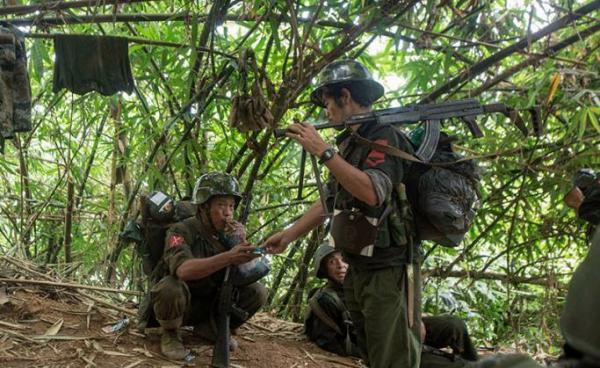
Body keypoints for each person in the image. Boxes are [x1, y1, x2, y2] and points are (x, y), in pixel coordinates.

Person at [264, 59, 422, 367]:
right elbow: (330, 200)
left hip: (387, 269)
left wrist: (324, 151)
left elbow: (373, 192)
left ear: (345, 96)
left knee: (393, 356)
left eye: (327, 103)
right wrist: (288, 235)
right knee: (370, 350)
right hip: (358, 264)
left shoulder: (384, 136)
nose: (326, 112)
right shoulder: (349, 143)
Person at [139, 172, 268, 360]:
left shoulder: (226, 235)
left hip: (209, 300)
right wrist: (228, 257)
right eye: (221, 205)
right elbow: (183, 270)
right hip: (180, 302)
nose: (228, 212)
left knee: (258, 292)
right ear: (204, 207)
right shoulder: (181, 230)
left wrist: (241, 242)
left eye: (231, 206)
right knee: (169, 288)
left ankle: (209, 329)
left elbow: (247, 273)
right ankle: (170, 334)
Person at [305, 244, 478, 368]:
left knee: (455, 325)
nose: (340, 265)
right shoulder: (325, 300)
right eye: (332, 262)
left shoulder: (367, 278)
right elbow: (329, 342)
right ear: (324, 270)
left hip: (405, 325)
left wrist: (416, 320)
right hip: (387, 346)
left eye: (343, 258)